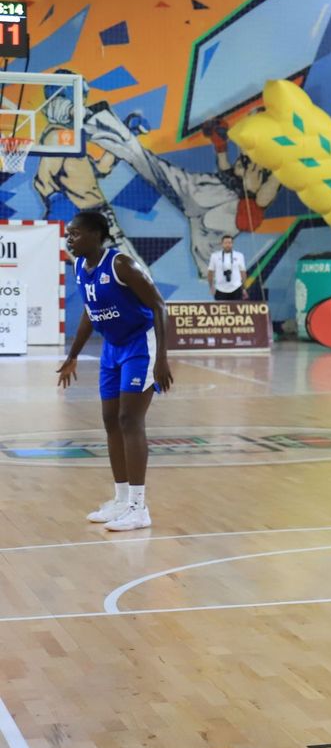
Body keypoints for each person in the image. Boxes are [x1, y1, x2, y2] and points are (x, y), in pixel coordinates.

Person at [56, 211, 173, 532]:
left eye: (76, 233)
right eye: (69, 234)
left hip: (140, 345)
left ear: (96, 235)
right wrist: (72, 356)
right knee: (110, 419)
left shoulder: (122, 265)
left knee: (129, 420)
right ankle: (121, 499)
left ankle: (139, 507)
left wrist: (162, 358)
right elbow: (90, 314)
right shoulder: (81, 267)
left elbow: (159, 306)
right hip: (112, 348)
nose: (70, 239)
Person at [206, 235, 248, 300]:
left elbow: (243, 272)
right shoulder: (215, 256)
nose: (227, 245)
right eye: (225, 243)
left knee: (235, 309)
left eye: (229, 243)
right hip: (220, 289)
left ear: (232, 244)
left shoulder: (239, 255)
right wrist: (211, 287)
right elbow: (210, 272)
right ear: (222, 244)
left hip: (236, 288)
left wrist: (244, 288)